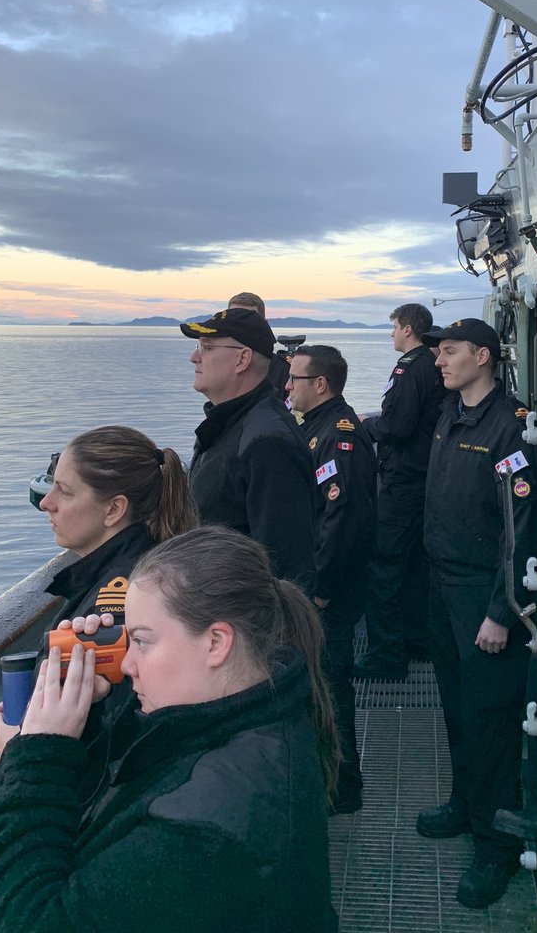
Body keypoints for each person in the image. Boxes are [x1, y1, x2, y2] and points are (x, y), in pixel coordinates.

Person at [0, 527, 340, 933]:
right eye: (126, 640)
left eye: (142, 642)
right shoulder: (256, 715)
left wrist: (35, 763)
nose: (128, 665)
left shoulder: (205, 832)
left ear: (216, 643)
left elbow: (21, 920)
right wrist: (87, 720)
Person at [416, 318, 537, 911]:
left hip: (482, 597)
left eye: (449, 351)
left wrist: (502, 610)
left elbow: (522, 528)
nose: (439, 360)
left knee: (490, 718)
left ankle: (496, 845)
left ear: (483, 357)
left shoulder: (509, 427)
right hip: (441, 588)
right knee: (456, 707)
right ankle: (466, 806)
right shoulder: (451, 413)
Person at [0, 424, 198, 766]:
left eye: (65, 492)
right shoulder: (146, 568)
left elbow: (109, 743)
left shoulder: (115, 606)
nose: (47, 504)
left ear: (113, 510)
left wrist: (17, 747)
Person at [286, 344, 377, 814]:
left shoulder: (339, 437)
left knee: (332, 689)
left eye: (294, 379)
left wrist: (321, 589)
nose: (287, 387)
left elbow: (344, 520)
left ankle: (344, 789)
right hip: (323, 584)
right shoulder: (315, 428)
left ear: (319, 384)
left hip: (331, 591)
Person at [181, 307, 316, 589]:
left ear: (242, 359)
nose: (194, 357)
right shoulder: (229, 423)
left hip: (236, 608)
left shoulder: (268, 443)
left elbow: (284, 566)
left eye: (206, 347)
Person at [354, 302, 445, 680]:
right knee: (416, 565)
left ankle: (387, 656)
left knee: (385, 567)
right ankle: (418, 640)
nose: (391, 333)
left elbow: (398, 425)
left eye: (393, 327)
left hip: (402, 479)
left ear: (408, 329)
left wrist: (367, 426)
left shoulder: (409, 368)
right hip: (424, 477)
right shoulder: (433, 363)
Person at [227, 289, 291, 398]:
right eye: (234, 319)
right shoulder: (219, 365)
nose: (240, 325)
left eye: (248, 320)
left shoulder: (283, 371)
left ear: (263, 324)